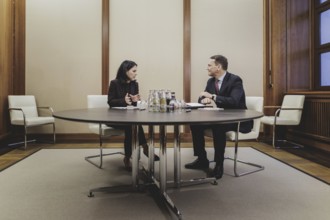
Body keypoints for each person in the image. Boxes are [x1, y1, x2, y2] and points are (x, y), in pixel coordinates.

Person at [185, 55, 253, 179]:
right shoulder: (211, 81)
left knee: (218, 127)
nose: (207, 68)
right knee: (195, 124)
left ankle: (219, 164)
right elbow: (204, 97)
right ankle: (202, 159)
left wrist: (213, 97)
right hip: (220, 117)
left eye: (209, 65)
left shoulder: (235, 80)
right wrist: (204, 99)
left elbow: (234, 101)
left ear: (218, 67)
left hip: (238, 119)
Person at [107, 60, 159, 171]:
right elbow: (110, 101)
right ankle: (144, 148)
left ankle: (128, 157)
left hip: (129, 118)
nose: (136, 73)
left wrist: (135, 100)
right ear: (125, 71)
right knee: (131, 125)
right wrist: (123, 100)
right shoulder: (114, 83)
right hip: (115, 118)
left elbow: (134, 104)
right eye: (134, 71)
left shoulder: (134, 84)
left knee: (132, 124)